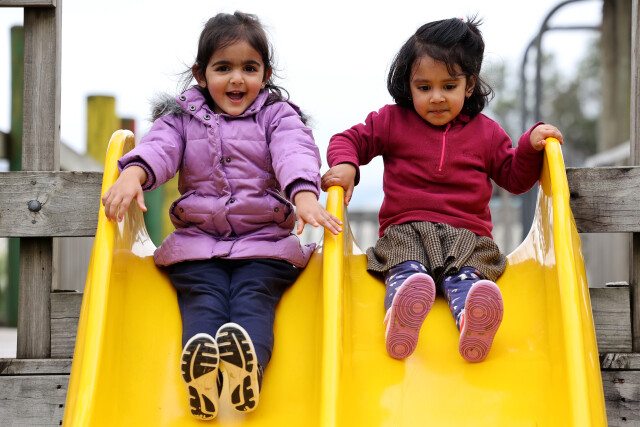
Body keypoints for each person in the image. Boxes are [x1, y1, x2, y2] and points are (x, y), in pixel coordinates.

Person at [102, 11, 342, 420]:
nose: (237, 79)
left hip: (264, 244)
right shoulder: (181, 119)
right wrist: (133, 174)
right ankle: (204, 378)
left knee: (253, 298)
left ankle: (247, 369)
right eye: (223, 68)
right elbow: (159, 148)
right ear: (201, 74)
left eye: (249, 68)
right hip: (197, 245)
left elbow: (294, 151)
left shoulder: (277, 116)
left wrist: (303, 193)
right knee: (203, 299)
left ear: (265, 75)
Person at [321, 17, 563, 364]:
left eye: (448, 86)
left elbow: (514, 178)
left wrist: (528, 147)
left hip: (467, 237)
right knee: (405, 267)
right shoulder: (392, 121)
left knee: (468, 278)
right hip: (407, 229)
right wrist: (347, 164)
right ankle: (402, 314)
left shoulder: (487, 133)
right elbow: (348, 140)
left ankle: (473, 321)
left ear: (469, 86)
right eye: (424, 87)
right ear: (409, 86)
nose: (436, 98)